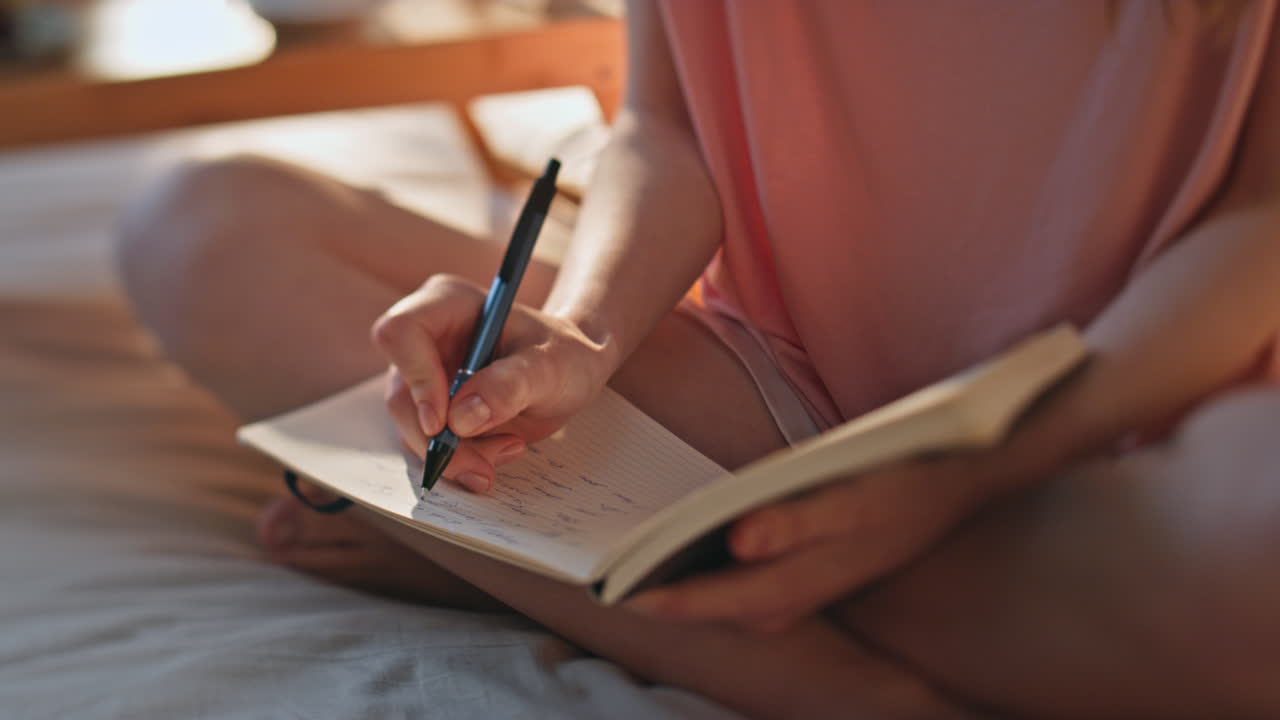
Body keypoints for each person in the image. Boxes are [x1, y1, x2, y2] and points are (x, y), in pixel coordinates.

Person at [118, 1, 1280, 716]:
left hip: (1110, 439)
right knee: (201, 222)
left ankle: (537, 558)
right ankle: (826, 678)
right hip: (770, 390)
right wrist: (582, 333)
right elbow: (660, 132)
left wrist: (959, 477)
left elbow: (1256, 220)